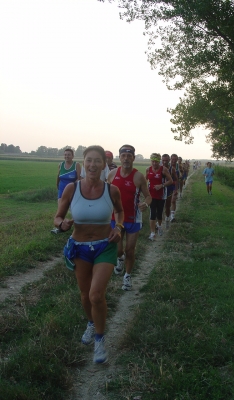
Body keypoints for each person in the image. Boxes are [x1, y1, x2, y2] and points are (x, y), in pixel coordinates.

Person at [53, 145, 124, 364]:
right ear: (83, 164)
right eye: (89, 161)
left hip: (105, 246)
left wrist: (119, 227)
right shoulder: (71, 189)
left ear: (104, 164)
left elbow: (120, 212)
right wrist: (62, 224)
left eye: (97, 161)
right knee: (85, 296)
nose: (93, 165)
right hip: (80, 248)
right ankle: (92, 323)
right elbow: (57, 217)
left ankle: (100, 341)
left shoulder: (111, 190)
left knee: (95, 295)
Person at [107, 144, 152, 291]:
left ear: (133, 157)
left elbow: (149, 196)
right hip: (116, 218)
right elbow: (105, 195)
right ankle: (119, 259)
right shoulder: (112, 174)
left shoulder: (138, 176)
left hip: (133, 218)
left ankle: (127, 276)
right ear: (119, 157)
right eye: (123, 156)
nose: (126, 159)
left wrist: (146, 204)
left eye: (129, 156)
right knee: (119, 250)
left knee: (130, 250)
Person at [51, 148, 81, 234]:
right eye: (65, 154)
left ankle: (78, 227)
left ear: (72, 156)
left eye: (68, 154)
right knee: (60, 209)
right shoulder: (60, 164)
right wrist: (57, 186)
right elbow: (58, 176)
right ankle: (60, 227)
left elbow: (79, 178)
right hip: (61, 190)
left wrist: (73, 187)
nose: (66, 156)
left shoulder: (76, 165)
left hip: (72, 191)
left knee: (74, 210)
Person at [146, 153, 173, 240]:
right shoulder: (148, 169)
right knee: (152, 213)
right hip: (151, 195)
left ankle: (159, 225)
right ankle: (152, 233)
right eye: (153, 161)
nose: (154, 163)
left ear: (159, 161)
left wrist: (161, 185)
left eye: (156, 162)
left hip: (161, 195)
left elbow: (170, 181)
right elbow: (145, 180)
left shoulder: (163, 169)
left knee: (159, 212)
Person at [161, 154, 178, 227]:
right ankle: (158, 223)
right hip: (161, 189)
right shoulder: (159, 168)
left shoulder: (172, 169)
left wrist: (176, 190)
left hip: (170, 189)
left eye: (166, 160)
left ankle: (168, 217)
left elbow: (176, 179)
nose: (164, 162)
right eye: (163, 160)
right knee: (160, 206)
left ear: (169, 160)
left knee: (168, 206)